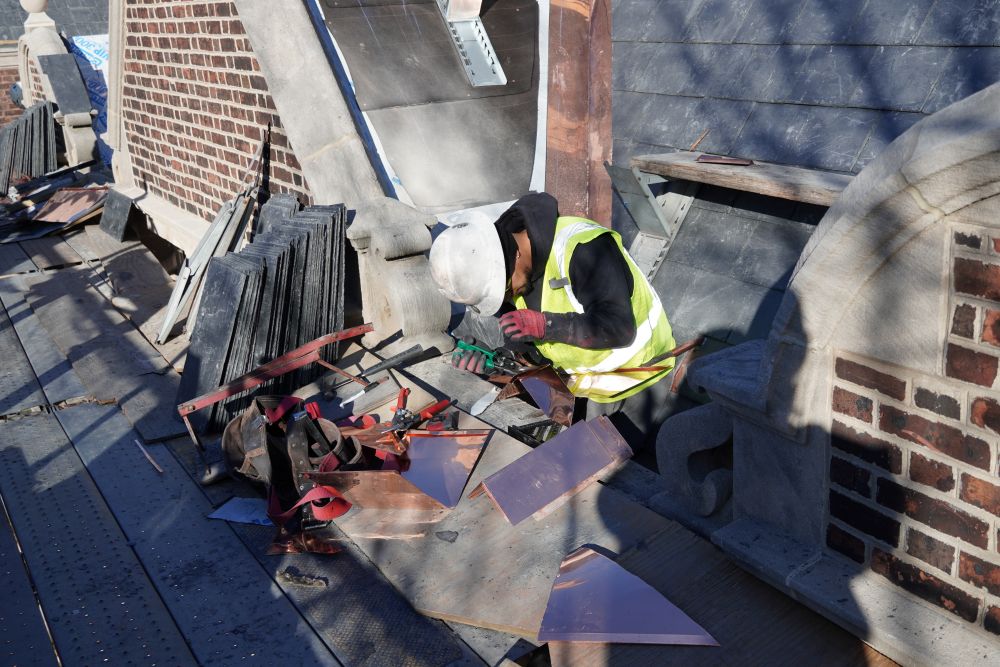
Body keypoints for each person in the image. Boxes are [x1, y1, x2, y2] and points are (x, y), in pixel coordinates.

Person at [429, 192, 676, 410]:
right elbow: (532, 359)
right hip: (592, 390)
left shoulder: (583, 248)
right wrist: (494, 367)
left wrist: (546, 325)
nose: (508, 299)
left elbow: (618, 328)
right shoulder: (511, 278)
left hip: (645, 378)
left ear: (511, 256)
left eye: (504, 290)